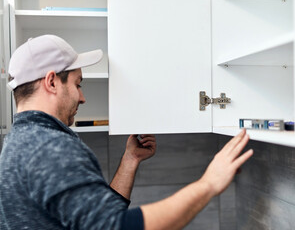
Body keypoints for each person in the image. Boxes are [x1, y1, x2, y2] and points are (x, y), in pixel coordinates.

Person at [0, 35, 253, 230]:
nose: (82, 97)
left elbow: (95, 220)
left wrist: (129, 161)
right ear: (52, 81)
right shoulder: (49, 148)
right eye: (77, 84)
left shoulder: (18, 144)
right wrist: (208, 184)